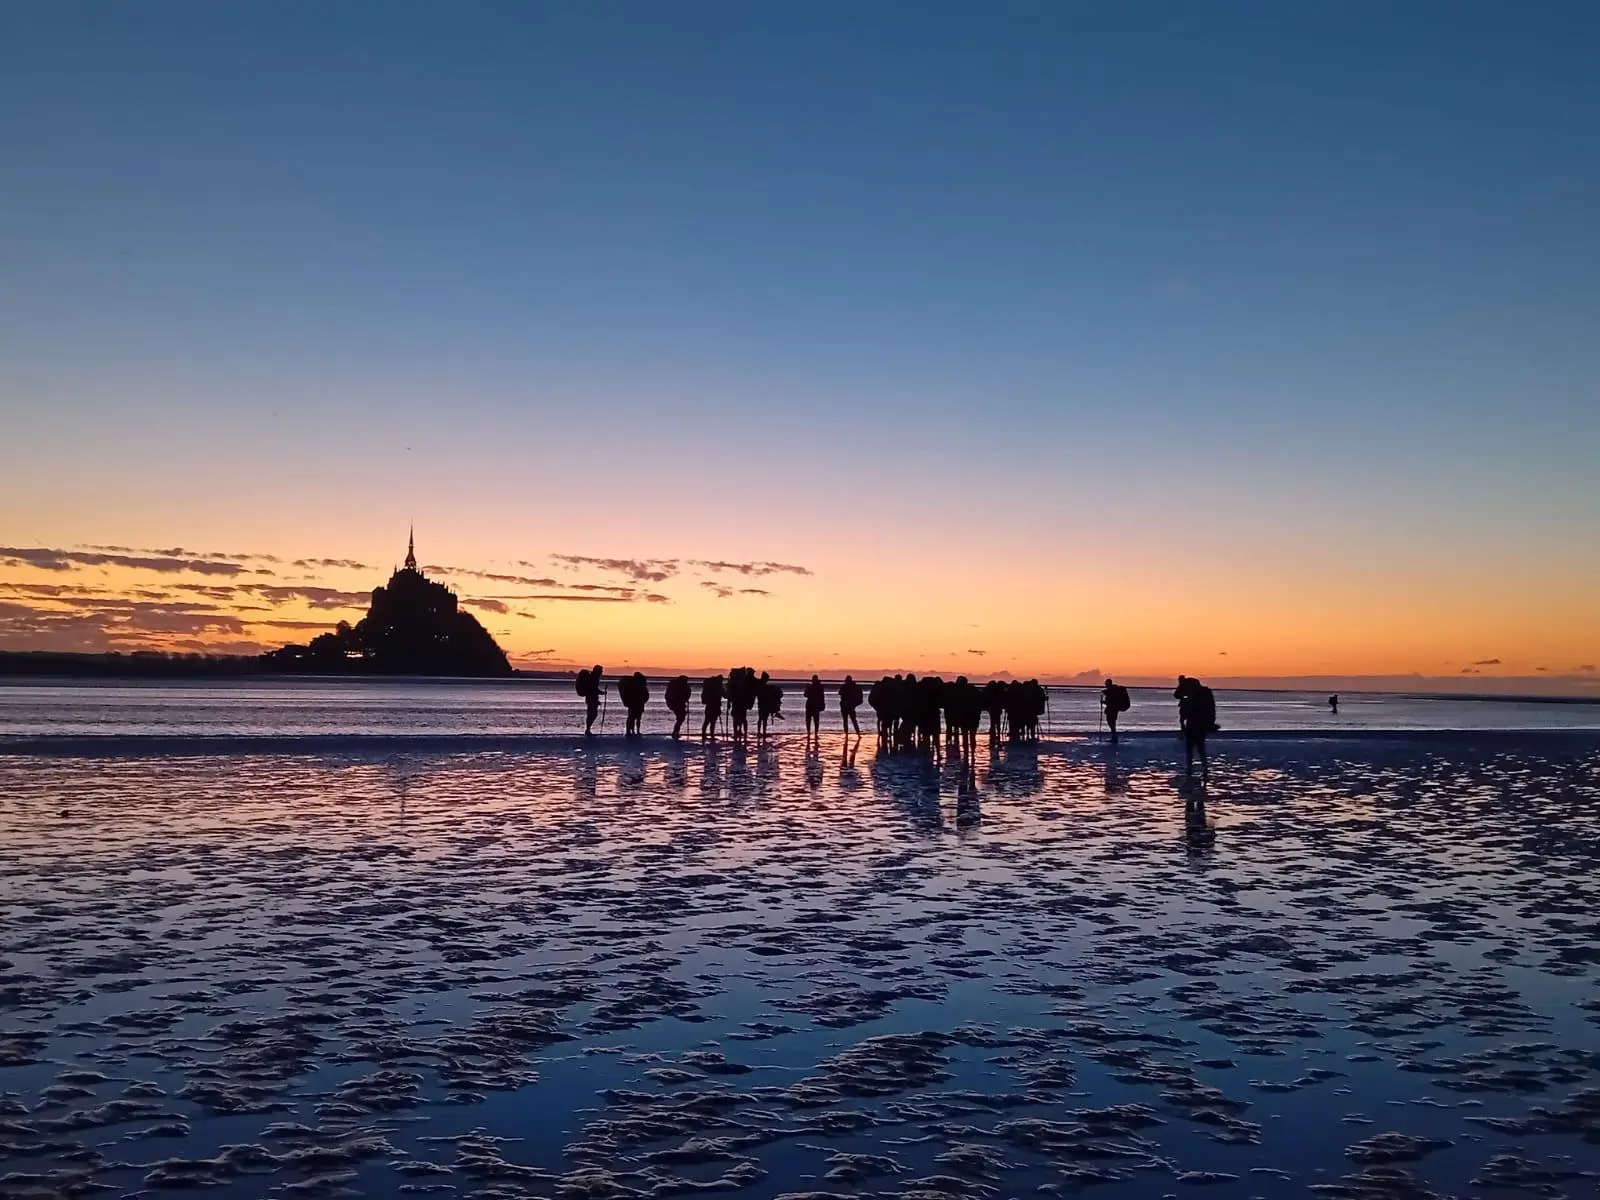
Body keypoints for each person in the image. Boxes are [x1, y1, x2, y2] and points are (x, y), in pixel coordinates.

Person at [1176, 675, 1218, 783]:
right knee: (1199, 747)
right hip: (1199, 723)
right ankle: (1201, 769)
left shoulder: (1195, 694)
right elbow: (1212, 710)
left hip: (1196, 723)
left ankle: (1194, 769)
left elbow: (1177, 695)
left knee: (1194, 747)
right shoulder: (1203, 694)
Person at [576, 664, 604, 735]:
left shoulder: (593, 677)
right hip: (591, 699)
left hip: (590, 698)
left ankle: (588, 729)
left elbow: (594, 689)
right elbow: (593, 689)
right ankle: (588, 729)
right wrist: (601, 693)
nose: (601, 672)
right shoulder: (594, 678)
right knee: (592, 714)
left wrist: (601, 693)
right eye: (601, 671)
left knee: (591, 714)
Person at [1101, 677, 1131, 743]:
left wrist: (1103, 702)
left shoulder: (1111, 692)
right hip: (1114, 709)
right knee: (1112, 724)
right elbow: (1110, 702)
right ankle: (1114, 737)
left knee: (1111, 724)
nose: (1105, 685)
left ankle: (1114, 738)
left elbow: (1110, 702)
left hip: (1112, 710)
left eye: (1106, 684)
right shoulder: (1113, 690)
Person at [621, 670, 649, 736]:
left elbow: (646, 695)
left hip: (635, 704)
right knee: (634, 718)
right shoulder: (640, 685)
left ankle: (632, 731)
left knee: (632, 718)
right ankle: (633, 731)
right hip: (636, 704)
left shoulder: (633, 685)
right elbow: (646, 695)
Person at [757, 671, 784, 737]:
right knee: (762, 719)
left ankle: (762, 732)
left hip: (763, 704)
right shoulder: (761, 686)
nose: (767, 680)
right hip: (762, 704)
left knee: (763, 719)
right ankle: (760, 732)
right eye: (767, 679)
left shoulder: (764, 686)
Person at [665, 674, 691, 739]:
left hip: (678, 704)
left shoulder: (682, 686)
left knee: (680, 718)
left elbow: (687, 694)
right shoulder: (677, 686)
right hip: (676, 704)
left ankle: (676, 731)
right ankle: (675, 732)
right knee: (680, 718)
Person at [701, 673, 724, 740]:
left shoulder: (712, 685)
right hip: (715, 706)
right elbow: (725, 695)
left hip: (710, 706)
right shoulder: (719, 686)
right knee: (711, 721)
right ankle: (711, 735)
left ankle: (705, 734)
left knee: (707, 721)